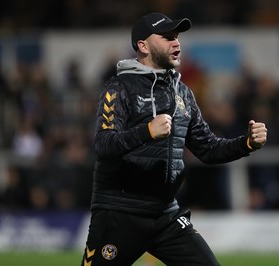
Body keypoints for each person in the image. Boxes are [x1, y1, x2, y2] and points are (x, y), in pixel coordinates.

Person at [81, 12, 267, 266]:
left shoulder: (183, 93)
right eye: (167, 37)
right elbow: (103, 144)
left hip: (165, 214)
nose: (176, 43)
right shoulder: (119, 88)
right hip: (119, 213)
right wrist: (146, 131)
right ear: (143, 46)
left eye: (177, 37)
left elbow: (208, 148)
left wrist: (247, 143)